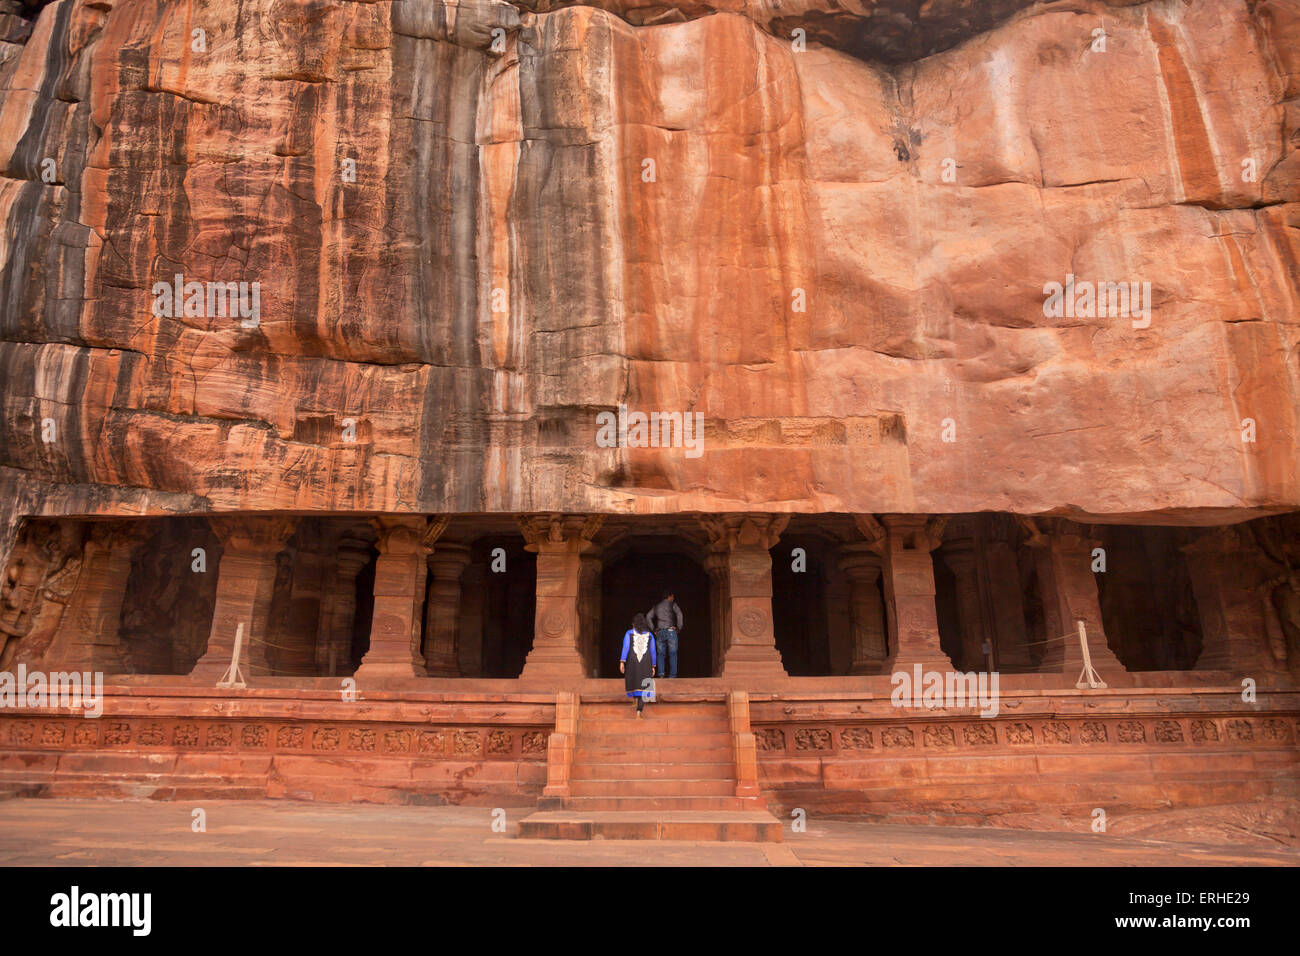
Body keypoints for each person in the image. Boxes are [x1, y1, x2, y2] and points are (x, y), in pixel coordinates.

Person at [620, 613, 656, 717]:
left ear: (634, 624)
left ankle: (635, 701)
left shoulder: (629, 633)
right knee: (645, 685)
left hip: (632, 661)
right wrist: (653, 666)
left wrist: (622, 661)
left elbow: (626, 647)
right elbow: (653, 651)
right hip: (646, 662)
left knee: (634, 680)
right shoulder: (650, 635)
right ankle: (639, 712)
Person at [646, 590, 683, 679]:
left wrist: (653, 629)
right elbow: (679, 614)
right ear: (669, 597)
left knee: (661, 654)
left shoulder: (656, 606)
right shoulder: (672, 604)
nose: (673, 598)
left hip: (660, 632)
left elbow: (648, 616)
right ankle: (672, 676)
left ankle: (661, 674)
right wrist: (678, 627)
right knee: (673, 654)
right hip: (671, 631)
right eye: (672, 597)